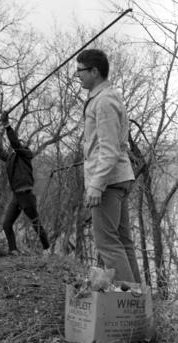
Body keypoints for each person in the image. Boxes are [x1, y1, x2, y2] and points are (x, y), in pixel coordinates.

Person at [76, 49, 141, 283]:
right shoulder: (105, 97)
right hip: (118, 177)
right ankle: (137, 300)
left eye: (80, 71)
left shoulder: (103, 101)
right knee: (122, 242)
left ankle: (128, 304)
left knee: (108, 245)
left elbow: (109, 148)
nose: (78, 76)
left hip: (109, 182)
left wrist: (96, 185)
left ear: (95, 71)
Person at [0, 112, 50, 256]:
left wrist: (7, 125)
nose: (17, 145)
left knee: (36, 224)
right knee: (7, 224)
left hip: (27, 195)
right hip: (16, 197)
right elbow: (0, 153)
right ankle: (13, 250)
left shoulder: (26, 154)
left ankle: (47, 249)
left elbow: (15, 143)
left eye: (19, 143)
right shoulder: (11, 159)